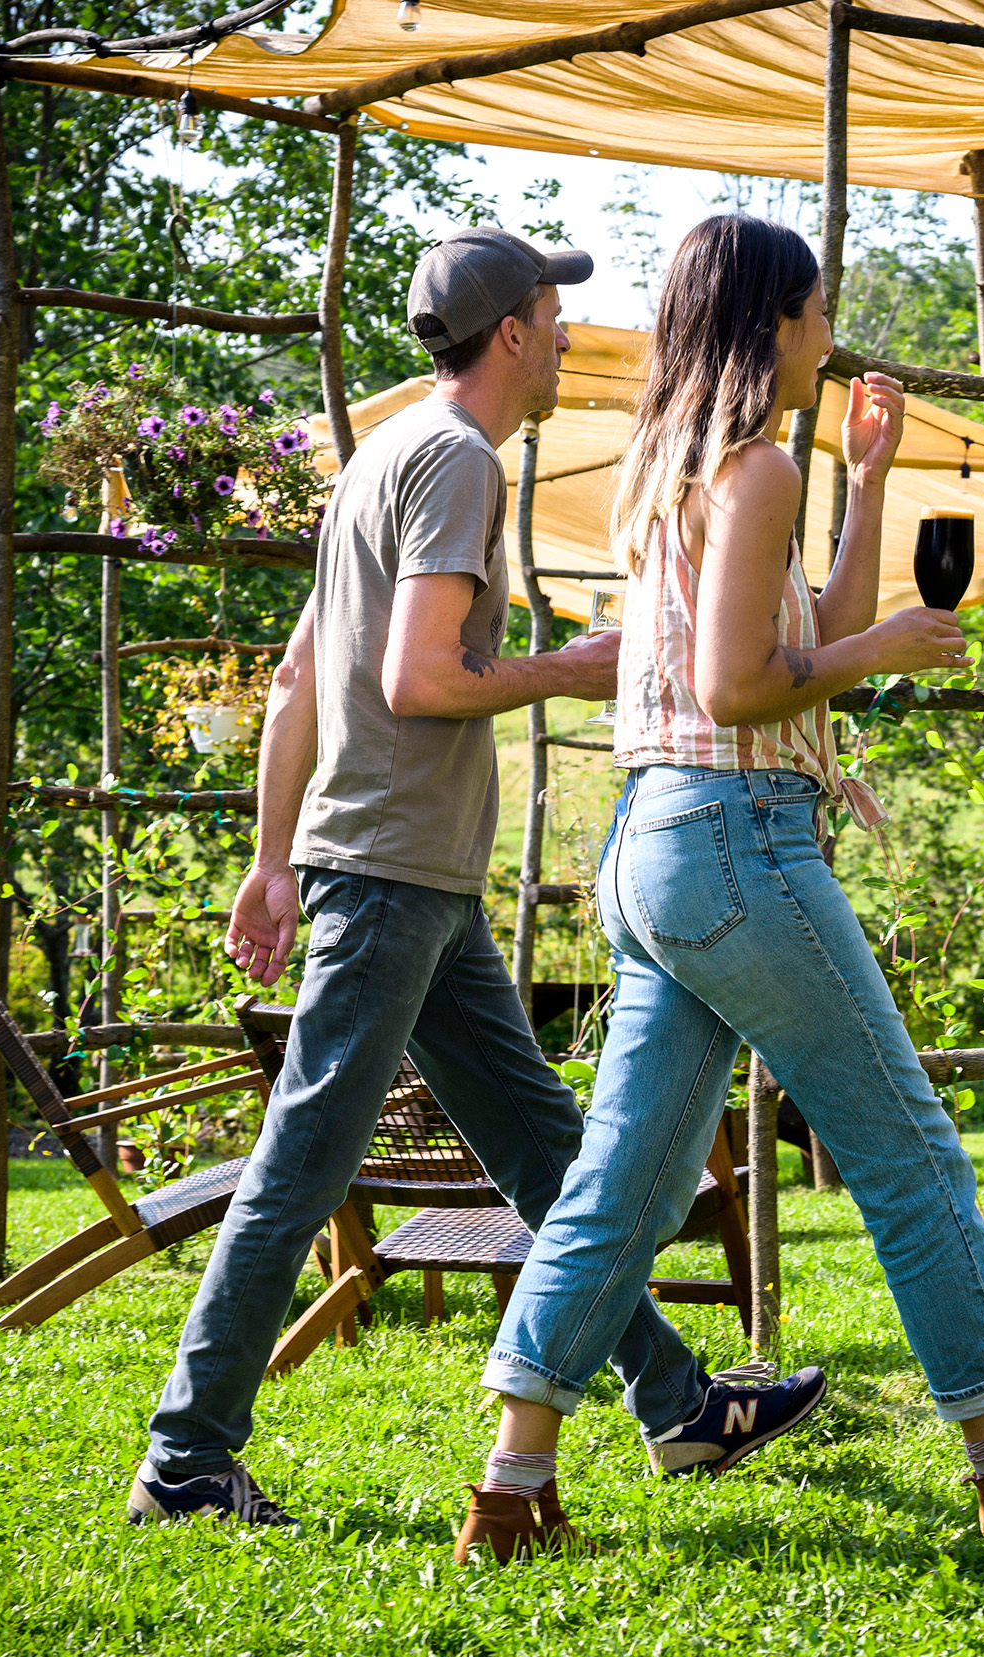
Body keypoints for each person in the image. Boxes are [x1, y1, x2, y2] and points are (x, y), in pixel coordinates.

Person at [454, 214, 984, 1565]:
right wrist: (901, 642)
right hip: (739, 841)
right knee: (910, 1153)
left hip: (653, 847)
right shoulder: (752, 472)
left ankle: (510, 1484)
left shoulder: (675, 472)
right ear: (770, 323)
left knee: (624, 1186)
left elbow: (805, 638)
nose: (830, 337)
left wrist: (874, 483)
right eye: (817, 312)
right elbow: (745, 687)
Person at [127, 227, 822, 1528]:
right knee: (299, 1170)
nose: (566, 336)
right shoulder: (452, 463)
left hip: (406, 883)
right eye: (554, 316)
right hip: (390, 879)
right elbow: (418, 681)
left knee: (553, 1162)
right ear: (510, 333)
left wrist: (272, 861)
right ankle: (185, 1460)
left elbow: (295, 683)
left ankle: (678, 1407)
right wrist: (575, 668)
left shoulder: (380, 459)